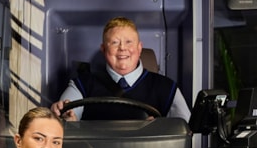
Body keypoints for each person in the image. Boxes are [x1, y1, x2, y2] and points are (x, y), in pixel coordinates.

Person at [49, 16, 190, 121]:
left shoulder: (167, 88)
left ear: (139, 48)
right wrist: (64, 119)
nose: (122, 48)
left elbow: (185, 132)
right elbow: (63, 124)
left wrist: (160, 129)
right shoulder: (81, 86)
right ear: (104, 49)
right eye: (115, 43)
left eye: (129, 42)